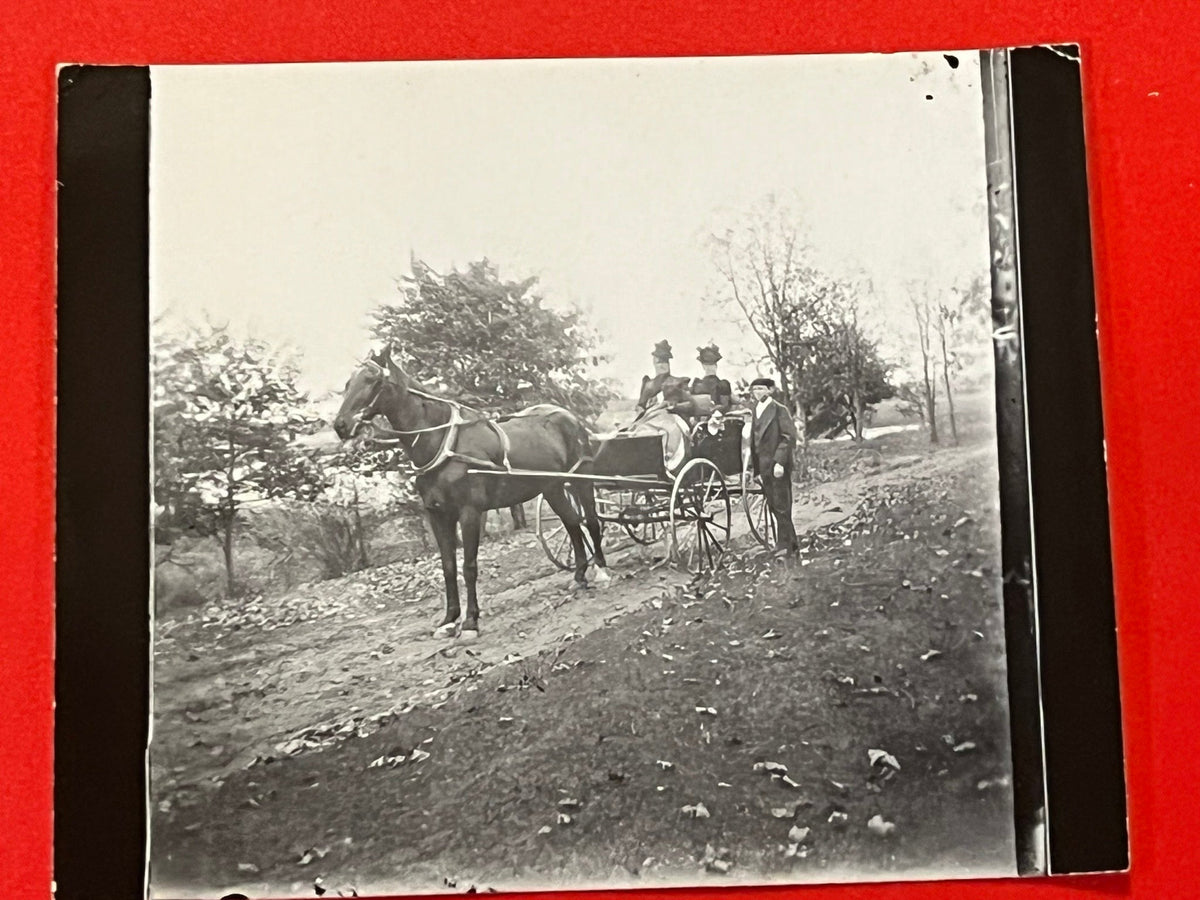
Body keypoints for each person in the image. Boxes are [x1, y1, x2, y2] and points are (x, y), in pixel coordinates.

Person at [749, 376, 798, 558]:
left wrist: (779, 462)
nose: (757, 393)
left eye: (761, 389)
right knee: (773, 504)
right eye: (754, 390)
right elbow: (754, 443)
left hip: (777, 465)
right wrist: (756, 471)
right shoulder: (756, 410)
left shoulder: (779, 409)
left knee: (782, 505)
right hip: (763, 466)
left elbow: (788, 437)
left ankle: (783, 545)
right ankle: (791, 543)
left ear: (769, 390)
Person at [636, 340, 693, 417]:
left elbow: (690, 405)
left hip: (673, 421)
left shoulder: (680, 382)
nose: (662, 365)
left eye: (664, 362)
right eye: (659, 362)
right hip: (650, 420)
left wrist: (673, 406)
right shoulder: (648, 384)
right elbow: (640, 407)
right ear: (654, 362)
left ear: (668, 363)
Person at [689, 344, 733, 413]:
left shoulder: (696, 386)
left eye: (710, 365)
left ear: (703, 366)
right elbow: (726, 407)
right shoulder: (724, 385)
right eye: (709, 365)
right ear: (716, 366)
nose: (710, 368)